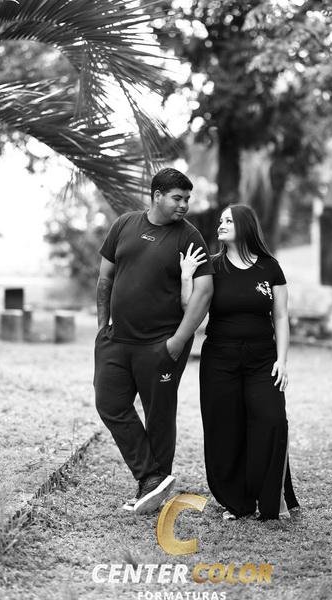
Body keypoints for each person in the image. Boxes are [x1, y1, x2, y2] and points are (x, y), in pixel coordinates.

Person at [94, 168, 214, 515]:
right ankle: (152, 477)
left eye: (187, 199)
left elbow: (204, 293)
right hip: (118, 340)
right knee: (109, 403)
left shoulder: (189, 236)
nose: (184, 205)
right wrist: (103, 328)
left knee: (159, 415)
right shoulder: (124, 225)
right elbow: (105, 278)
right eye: (178, 198)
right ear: (157, 195)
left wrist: (178, 341)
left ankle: (151, 488)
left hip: (161, 343)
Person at [180, 204, 299, 521]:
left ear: (245, 226)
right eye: (220, 220)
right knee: (225, 428)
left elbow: (281, 316)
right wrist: (186, 276)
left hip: (263, 359)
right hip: (220, 359)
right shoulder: (212, 267)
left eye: (228, 220)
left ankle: (272, 497)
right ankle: (237, 502)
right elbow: (190, 309)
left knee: (272, 420)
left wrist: (282, 360)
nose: (221, 224)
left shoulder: (270, 267)